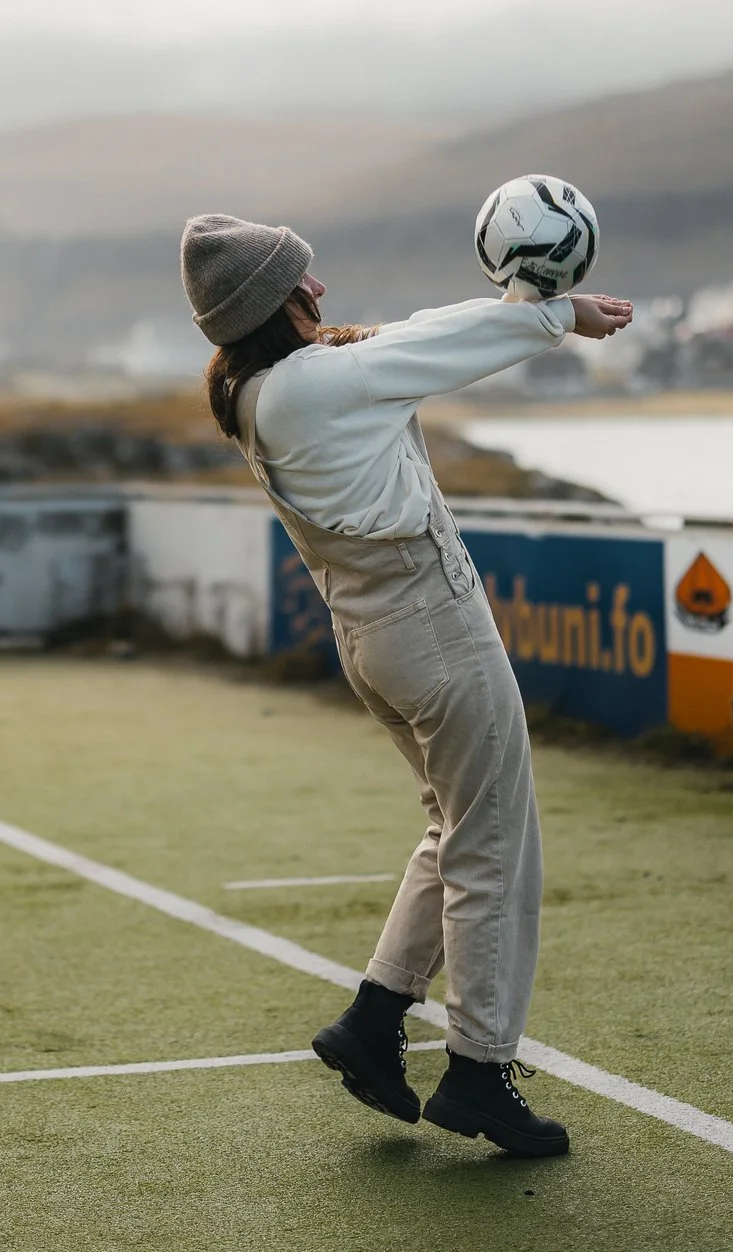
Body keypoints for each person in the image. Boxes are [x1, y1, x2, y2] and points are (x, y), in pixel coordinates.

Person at [178, 212, 633, 1158]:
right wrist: (559, 313)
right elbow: (437, 341)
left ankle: (374, 1023)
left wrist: (538, 309)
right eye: (308, 280)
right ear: (282, 301)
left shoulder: (266, 390)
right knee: (495, 844)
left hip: (376, 641)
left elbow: (404, 335)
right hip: (434, 629)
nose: (325, 290)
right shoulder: (315, 386)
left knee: (454, 828)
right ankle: (478, 1071)